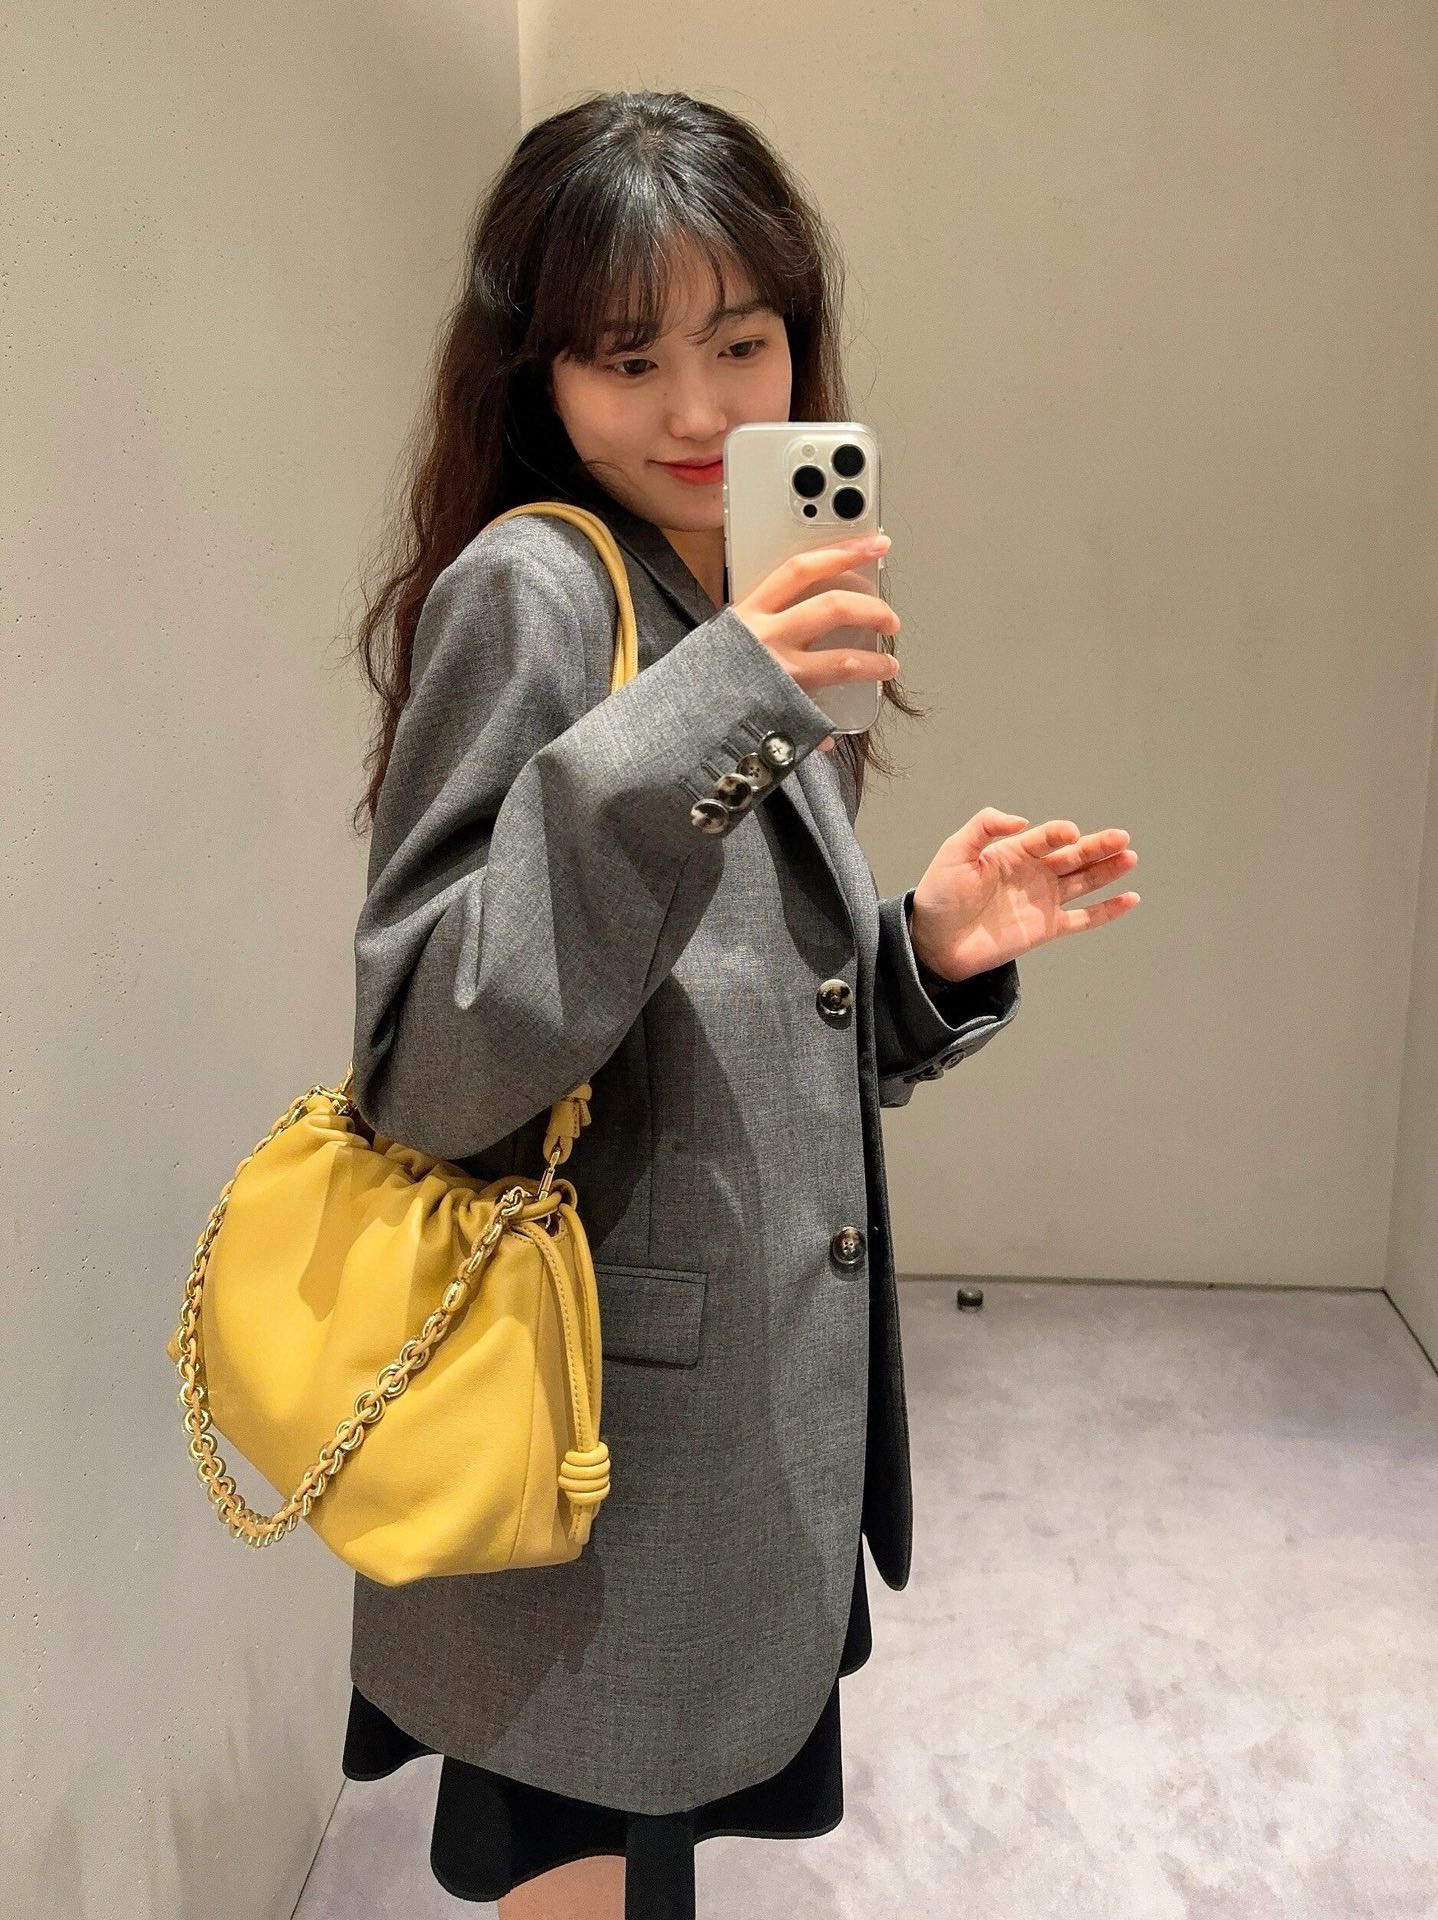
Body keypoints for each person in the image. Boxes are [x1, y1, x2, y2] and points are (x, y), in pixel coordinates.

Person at [338, 87, 1138, 1920]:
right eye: (628, 360)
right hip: (591, 1434)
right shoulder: (535, 592)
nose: (698, 411)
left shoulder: (728, 600)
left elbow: (726, 1014)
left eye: (741, 342)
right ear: (538, 374)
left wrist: (921, 950)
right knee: (573, 1847)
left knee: (652, 1856)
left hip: (722, 1419)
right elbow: (430, 1060)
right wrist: (720, 704)